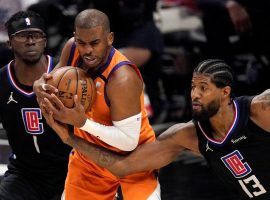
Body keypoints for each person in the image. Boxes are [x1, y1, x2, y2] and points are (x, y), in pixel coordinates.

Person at [43, 59, 270, 199]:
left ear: (225, 92)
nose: (195, 95)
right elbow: (123, 167)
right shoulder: (187, 135)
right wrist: (70, 138)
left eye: (204, 88)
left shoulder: (261, 110)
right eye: (193, 87)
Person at [34, 9, 160, 200]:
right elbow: (52, 82)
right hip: (89, 157)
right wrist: (40, 86)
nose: (87, 51)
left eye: (94, 43)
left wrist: (83, 122)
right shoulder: (72, 48)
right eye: (82, 43)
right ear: (75, 37)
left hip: (133, 161)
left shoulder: (122, 78)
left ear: (109, 38)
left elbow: (128, 141)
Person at [0, 11, 71, 200]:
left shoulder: (67, 77)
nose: (31, 41)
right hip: (24, 174)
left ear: (45, 41)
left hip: (70, 170)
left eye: (36, 35)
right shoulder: (1, 81)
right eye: (23, 35)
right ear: (9, 43)